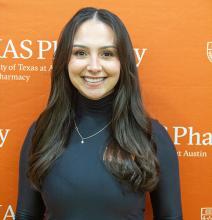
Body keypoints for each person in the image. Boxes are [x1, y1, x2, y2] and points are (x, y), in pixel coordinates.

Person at [15, 7, 183, 220]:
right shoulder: (42, 132)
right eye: (81, 53)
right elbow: (25, 214)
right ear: (65, 60)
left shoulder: (151, 136)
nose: (94, 66)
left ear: (123, 62)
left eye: (107, 54)